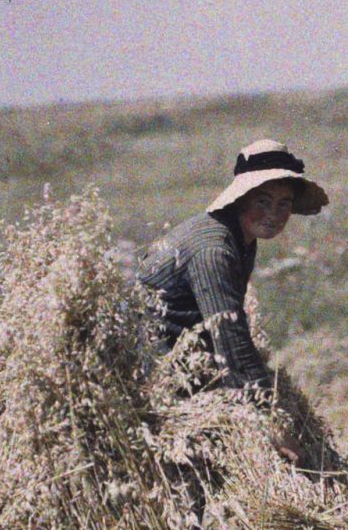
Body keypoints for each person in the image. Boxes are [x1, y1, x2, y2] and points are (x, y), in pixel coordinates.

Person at [140, 138, 329, 464]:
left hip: (187, 359)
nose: (273, 215)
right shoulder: (214, 248)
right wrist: (273, 424)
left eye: (284, 204)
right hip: (149, 370)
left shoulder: (242, 236)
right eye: (263, 201)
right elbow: (230, 339)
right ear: (241, 198)